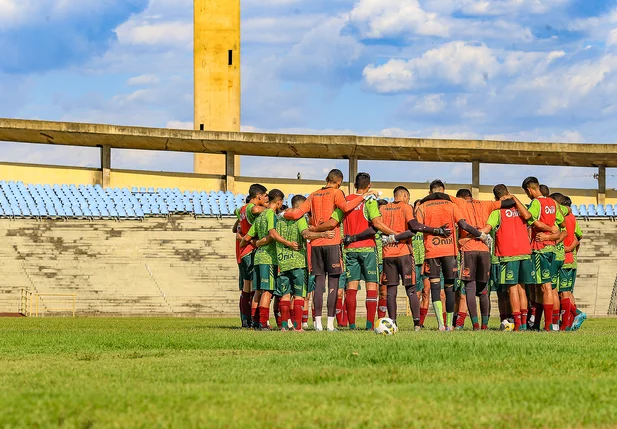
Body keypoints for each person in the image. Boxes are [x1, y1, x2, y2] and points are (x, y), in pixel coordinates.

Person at [283, 169, 376, 331]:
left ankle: (318, 324)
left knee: (319, 284)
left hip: (316, 245)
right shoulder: (337, 193)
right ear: (339, 181)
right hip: (331, 241)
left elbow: (297, 213)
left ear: (327, 178)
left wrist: (284, 214)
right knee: (333, 283)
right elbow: (346, 207)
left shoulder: (313, 195)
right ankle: (330, 324)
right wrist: (362, 196)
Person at [415, 180, 491, 331]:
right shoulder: (452, 205)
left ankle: (440, 325)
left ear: (431, 193)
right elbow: (463, 224)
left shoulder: (423, 206)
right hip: (450, 251)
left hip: (432, 251)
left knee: (435, 288)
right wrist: (480, 235)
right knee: (449, 288)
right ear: (444, 192)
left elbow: (417, 226)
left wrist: (434, 230)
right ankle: (450, 324)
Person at [449, 188, 515, 330]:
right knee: (484, 290)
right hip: (485, 250)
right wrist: (510, 197)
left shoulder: (459, 203)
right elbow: (509, 203)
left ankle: (476, 325)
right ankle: (485, 325)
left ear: (460, 197)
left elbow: (441, 196)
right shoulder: (487, 204)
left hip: (468, 250)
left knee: (470, 289)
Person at [340, 173, 397, 330]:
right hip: (367, 248)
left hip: (349, 249)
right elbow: (377, 223)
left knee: (351, 288)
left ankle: (351, 326)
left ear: (355, 184)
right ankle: (370, 325)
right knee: (371, 288)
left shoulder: (347, 200)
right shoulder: (370, 200)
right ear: (369, 185)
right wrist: (394, 234)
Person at [240, 189, 298, 330]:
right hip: (269, 258)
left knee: (258, 291)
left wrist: (254, 244)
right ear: (279, 202)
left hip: (258, 258)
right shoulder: (271, 215)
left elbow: (246, 238)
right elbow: (272, 234)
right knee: (267, 291)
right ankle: (263, 323)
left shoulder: (260, 216)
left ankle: (255, 322)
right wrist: (287, 243)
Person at [275, 195, 334, 331]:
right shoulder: (300, 218)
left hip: (283, 261)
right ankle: (298, 326)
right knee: (299, 294)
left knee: (285, 294)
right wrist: (323, 234)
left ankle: (284, 326)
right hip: (298, 262)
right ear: (302, 206)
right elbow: (306, 234)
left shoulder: (280, 219)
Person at [481, 184, 534, 331]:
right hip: (525, 252)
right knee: (522, 289)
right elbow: (528, 216)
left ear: (496, 198)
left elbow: (487, 229)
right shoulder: (520, 208)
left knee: (512, 289)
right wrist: (515, 198)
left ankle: (517, 324)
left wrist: (473, 234)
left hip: (508, 254)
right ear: (508, 193)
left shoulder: (497, 211)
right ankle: (523, 324)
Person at [522, 177, 565, 331]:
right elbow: (562, 227)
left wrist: (545, 233)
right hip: (553, 249)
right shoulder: (553, 203)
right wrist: (552, 235)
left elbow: (530, 219)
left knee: (544, 288)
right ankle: (549, 325)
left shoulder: (536, 203)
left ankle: (547, 327)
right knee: (549, 288)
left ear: (529, 189)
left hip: (540, 248)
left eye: (526, 192)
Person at [233, 185, 267, 328]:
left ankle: (245, 320)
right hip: (250, 250)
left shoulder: (239, 209)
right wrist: (271, 208)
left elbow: (235, 227)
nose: (266, 199)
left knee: (246, 287)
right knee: (254, 287)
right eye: (265, 196)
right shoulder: (250, 208)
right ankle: (253, 319)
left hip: (243, 252)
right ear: (258, 196)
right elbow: (255, 209)